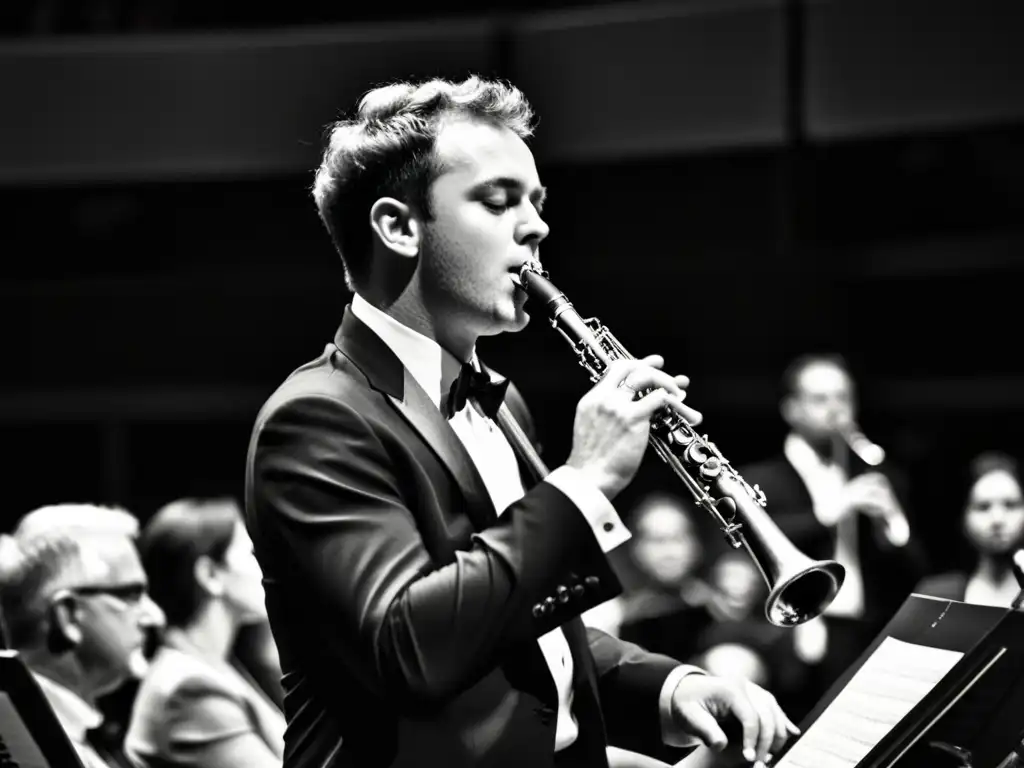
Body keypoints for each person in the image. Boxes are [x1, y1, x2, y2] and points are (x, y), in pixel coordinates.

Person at [245, 76, 799, 768]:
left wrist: (673, 686)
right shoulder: (317, 418)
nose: (536, 226)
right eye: (499, 200)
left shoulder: (502, 405)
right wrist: (583, 481)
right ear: (397, 227)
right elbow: (409, 648)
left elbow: (528, 641)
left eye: (536, 203)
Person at [741, 354, 926, 715]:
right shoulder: (760, 479)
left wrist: (890, 521)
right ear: (791, 409)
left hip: (867, 633)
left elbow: (915, 568)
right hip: (793, 637)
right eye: (820, 399)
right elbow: (754, 546)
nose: (836, 410)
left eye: (843, 398)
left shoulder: (878, 475)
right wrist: (831, 511)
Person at [0, 503, 165, 768]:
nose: (155, 616)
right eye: (133, 595)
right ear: (67, 615)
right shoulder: (18, 742)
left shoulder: (88, 732)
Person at [125, 497, 286, 768]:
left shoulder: (213, 665)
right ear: (210, 575)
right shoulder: (188, 689)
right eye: (250, 554)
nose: (266, 566)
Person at [914, 452, 1024, 607]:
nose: (997, 519)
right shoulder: (935, 595)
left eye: (1011, 505)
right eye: (983, 507)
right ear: (963, 516)